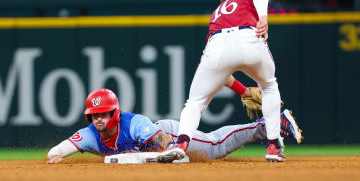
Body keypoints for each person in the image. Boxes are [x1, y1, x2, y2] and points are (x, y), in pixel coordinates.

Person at [158, 0, 286, 163]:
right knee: (269, 87)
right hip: (249, 37)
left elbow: (223, 73)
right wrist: (263, 17)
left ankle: (181, 144)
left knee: (195, 102)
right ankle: (274, 146)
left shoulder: (216, 14)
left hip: (217, 45)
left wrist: (244, 91)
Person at [46, 88, 302, 164]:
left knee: (214, 146)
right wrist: (55, 156)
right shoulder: (90, 135)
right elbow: (56, 150)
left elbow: (163, 141)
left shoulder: (133, 123)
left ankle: (268, 123)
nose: (98, 119)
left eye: (104, 113)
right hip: (158, 145)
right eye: (94, 115)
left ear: (115, 113)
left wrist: (172, 151)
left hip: (167, 133)